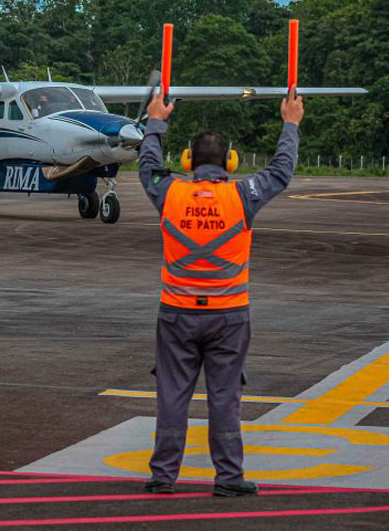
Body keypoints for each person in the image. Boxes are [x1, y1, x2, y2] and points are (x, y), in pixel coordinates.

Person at [137, 87, 304, 497]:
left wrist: (156, 120)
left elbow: (147, 165)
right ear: (231, 162)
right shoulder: (242, 195)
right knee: (225, 397)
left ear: (188, 162)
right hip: (229, 315)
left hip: (176, 312)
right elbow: (281, 170)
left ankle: (163, 476)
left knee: (172, 395)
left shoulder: (170, 192)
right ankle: (228, 478)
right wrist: (290, 124)